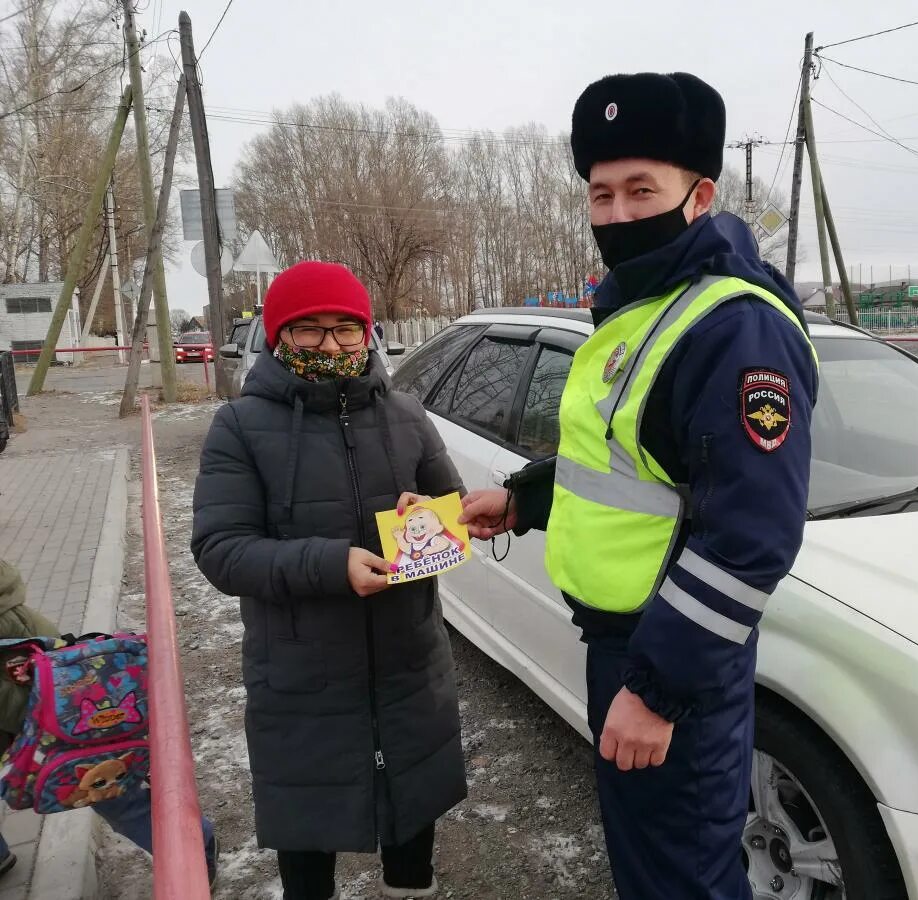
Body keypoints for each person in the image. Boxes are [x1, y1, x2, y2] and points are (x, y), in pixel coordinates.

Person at [459, 72, 819, 898]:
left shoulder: (733, 324)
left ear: (700, 197)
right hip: (627, 646)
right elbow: (633, 464)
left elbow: (748, 537)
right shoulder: (642, 305)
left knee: (680, 878)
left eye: (641, 190)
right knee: (653, 866)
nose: (618, 213)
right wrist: (524, 499)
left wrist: (657, 692)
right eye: (601, 193)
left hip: (671, 657)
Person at [191, 261, 466, 900]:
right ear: (278, 336)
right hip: (300, 673)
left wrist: (425, 517)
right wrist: (328, 564)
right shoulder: (239, 427)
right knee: (307, 842)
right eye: (308, 331)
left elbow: (452, 512)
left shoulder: (405, 413)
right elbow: (220, 549)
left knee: (411, 823)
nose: (331, 345)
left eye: (345, 330)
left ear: (366, 334)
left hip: (406, 664)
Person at [0, 559, 219, 884]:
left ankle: (193, 851)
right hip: (37, 684)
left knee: (103, 782)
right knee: (98, 777)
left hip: (34, 696)